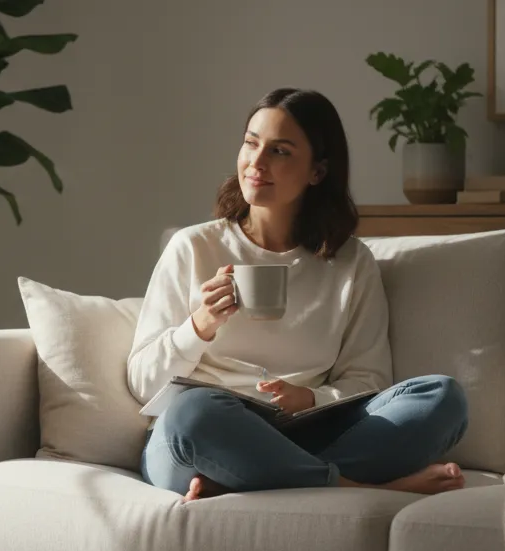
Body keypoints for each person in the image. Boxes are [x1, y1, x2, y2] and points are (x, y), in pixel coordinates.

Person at [126, 88, 469, 502]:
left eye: (280, 151)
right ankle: (354, 487)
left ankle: (249, 476)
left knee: (440, 398)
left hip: (308, 430)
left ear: (318, 172)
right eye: (251, 143)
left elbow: (369, 379)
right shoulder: (193, 246)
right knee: (193, 414)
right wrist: (199, 327)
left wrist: (310, 399)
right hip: (206, 432)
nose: (256, 162)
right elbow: (142, 382)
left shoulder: (350, 263)